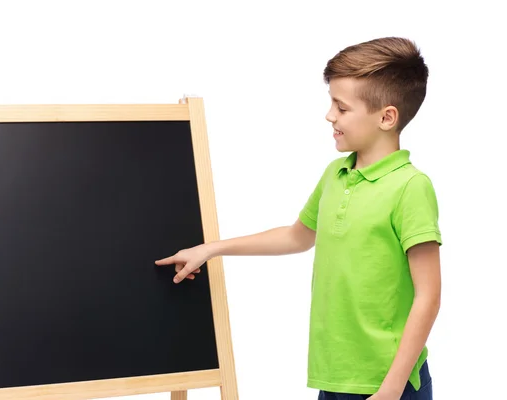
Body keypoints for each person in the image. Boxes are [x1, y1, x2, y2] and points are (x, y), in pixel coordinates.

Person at [155, 37, 441, 400]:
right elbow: (297, 236)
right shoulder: (336, 174)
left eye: (342, 107)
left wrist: (392, 388)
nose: (329, 115)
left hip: (387, 385)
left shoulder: (411, 186)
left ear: (387, 117)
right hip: (334, 377)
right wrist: (210, 249)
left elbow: (428, 296)